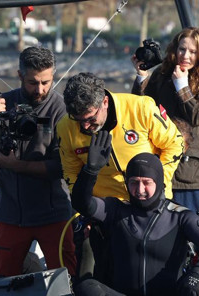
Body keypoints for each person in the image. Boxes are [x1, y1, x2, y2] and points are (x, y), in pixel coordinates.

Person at [70, 141, 199, 296]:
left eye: (146, 182)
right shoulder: (114, 209)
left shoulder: (180, 216)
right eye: (133, 182)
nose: (140, 189)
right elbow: (82, 203)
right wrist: (90, 170)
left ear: (159, 183)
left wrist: (198, 272)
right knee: (86, 287)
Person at [0, 46, 76, 278]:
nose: (40, 89)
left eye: (46, 82)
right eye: (33, 82)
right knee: (1, 279)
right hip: (11, 214)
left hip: (54, 214)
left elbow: (61, 167)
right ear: (20, 75)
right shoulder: (3, 104)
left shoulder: (61, 110)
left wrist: (15, 165)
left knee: (67, 279)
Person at [57, 72, 184, 201]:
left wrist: (158, 183)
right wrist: (82, 207)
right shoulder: (65, 127)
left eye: (91, 119)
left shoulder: (141, 108)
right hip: (106, 206)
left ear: (105, 102)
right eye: (78, 120)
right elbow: (71, 172)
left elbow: (175, 144)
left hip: (152, 198)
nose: (84, 126)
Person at [132, 27, 199, 212]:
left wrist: (182, 86)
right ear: (174, 49)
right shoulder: (162, 74)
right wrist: (141, 76)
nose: (185, 55)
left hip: (188, 171)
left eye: (193, 51)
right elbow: (140, 107)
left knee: (185, 223)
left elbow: (198, 117)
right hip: (158, 159)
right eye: (182, 49)